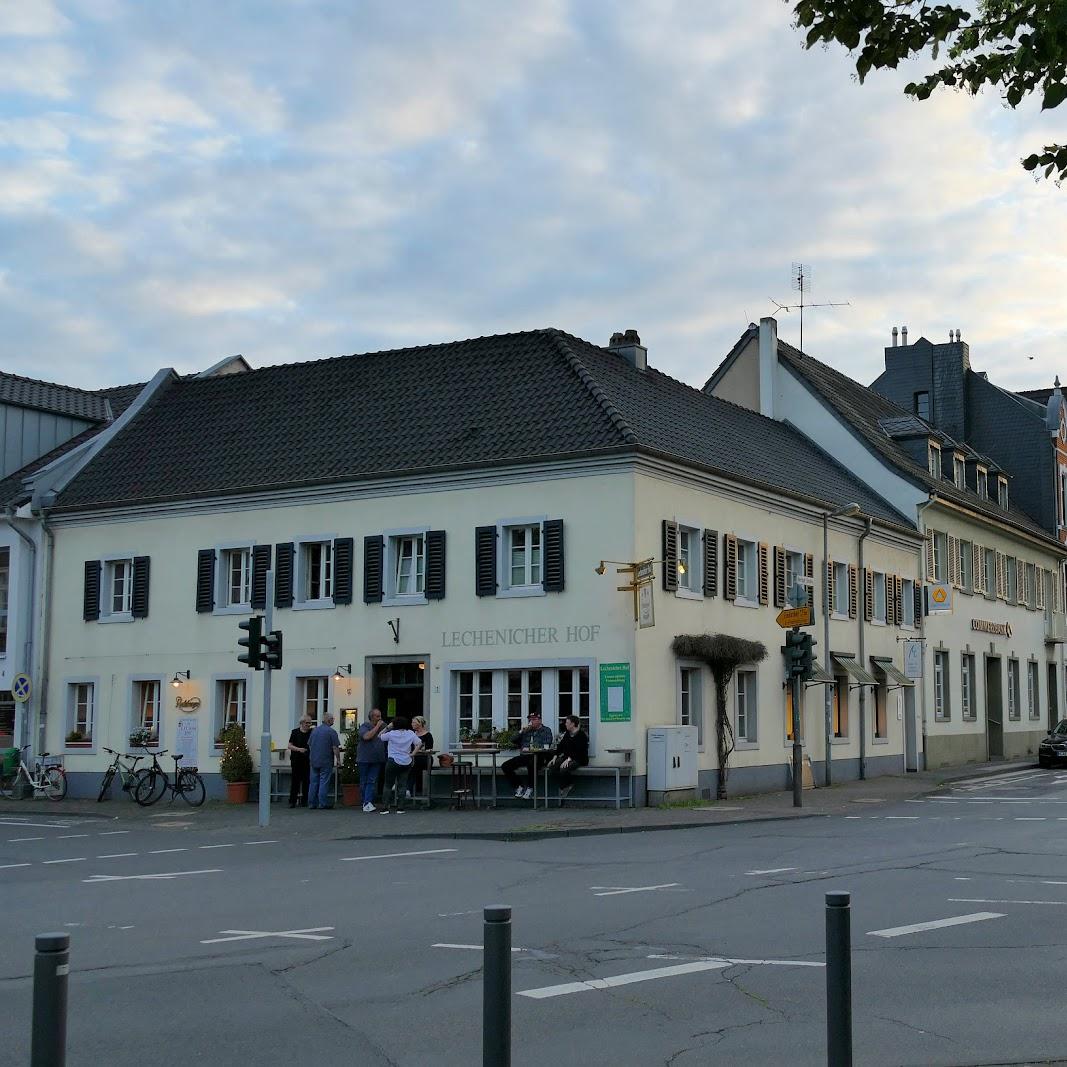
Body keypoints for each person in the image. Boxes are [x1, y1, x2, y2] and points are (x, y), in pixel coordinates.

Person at [502, 710, 554, 800]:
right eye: (530, 719)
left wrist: (531, 748)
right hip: (525, 756)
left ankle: (530, 788)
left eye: (534, 719)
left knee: (532, 764)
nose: (531, 722)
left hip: (539, 756)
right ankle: (519, 786)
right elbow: (512, 740)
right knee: (505, 766)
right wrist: (521, 731)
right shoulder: (526, 731)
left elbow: (547, 744)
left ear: (540, 720)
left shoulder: (546, 730)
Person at [379, 716, 422, 814]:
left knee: (388, 785)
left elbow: (379, 736)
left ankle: (385, 807)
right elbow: (419, 743)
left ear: (394, 724)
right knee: (402, 785)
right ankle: (400, 808)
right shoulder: (410, 733)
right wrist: (413, 754)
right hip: (406, 761)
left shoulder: (391, 734)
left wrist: (387, 727)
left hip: (393, 761)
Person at [547, 715, 589, 798]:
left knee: (564, 768)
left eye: (567, 723)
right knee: (552, 766)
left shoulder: (581, 735)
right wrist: (555, 757)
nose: (565, 724)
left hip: (579, 758)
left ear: (573, 724)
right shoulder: (567, 734)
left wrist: (570, 759)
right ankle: (563, 785)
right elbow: (560, 746)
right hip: (566, 758)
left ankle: (566, 786)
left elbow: (580, 751)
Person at [307, 712, 341, 810]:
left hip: (314, 760)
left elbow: (310, 744)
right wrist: (338, 760)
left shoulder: (314, 731)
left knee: (313, 782)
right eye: (332, 719)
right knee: (324, 782)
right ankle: (323, 803)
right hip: (326, 760)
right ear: (328, 720)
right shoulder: (331, 732)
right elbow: (335, 747)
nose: (333, 721)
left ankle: (312, 803)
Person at [357, 708, 388, 813]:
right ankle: (365, 802)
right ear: (372, 717)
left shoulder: (384, 726)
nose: (380, 718)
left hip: (377, 759)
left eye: (380, 716)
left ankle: (367, 802)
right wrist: (378, 726)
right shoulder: (365, 726)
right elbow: (366, 737)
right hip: (364, 758)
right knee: (364, 781)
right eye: (377, 716)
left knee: (372, 781)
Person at [286, 716, 313, 808]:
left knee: (307, 781)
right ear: (302, 723)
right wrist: (298, 749)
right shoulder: (295, 732)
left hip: (307, 759)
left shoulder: (311, 732)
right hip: (296, 760)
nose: (309, 725)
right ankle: (292, 801)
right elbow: (289, 745)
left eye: (310, 723)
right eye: (307, 723)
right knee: (295, 781)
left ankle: (305, 801)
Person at [409, 716, 434, 798]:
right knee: (403, 764)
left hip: (425, 758)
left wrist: (417, 751)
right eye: (412, 722)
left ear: (420, 724)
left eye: (414, 723)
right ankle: (404, 788)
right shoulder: (412, 734)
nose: (412, 724)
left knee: (412, 765)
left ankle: (407, 789)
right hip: (413, 758)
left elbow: (429, 749)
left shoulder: (427, 735)